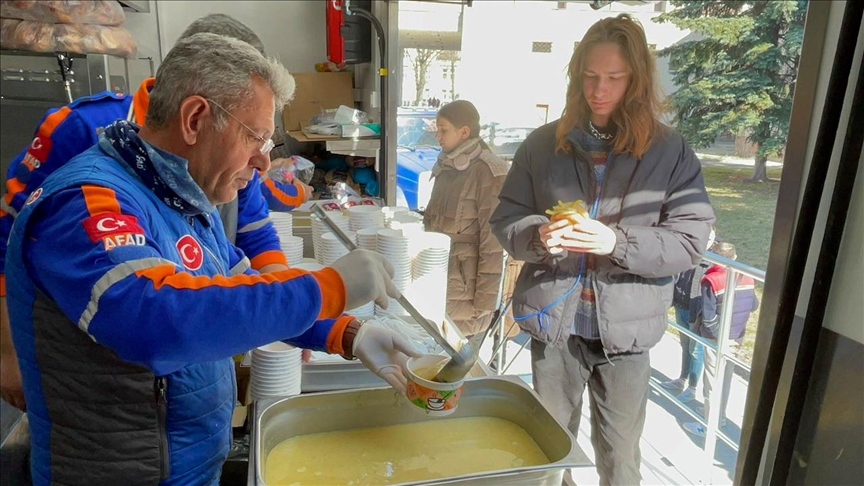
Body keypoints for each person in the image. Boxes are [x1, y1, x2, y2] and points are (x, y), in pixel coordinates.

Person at [5, 33, 418, 485]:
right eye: (255, 136)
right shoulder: (86, 202)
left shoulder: (179, 198)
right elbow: (155, 318)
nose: (263, 162)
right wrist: (329, 288)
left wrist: (346, 332)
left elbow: (239, 286)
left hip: (185, 465)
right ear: (196, 118)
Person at [0, 13, 311, 412]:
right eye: (253, 134)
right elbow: (10, 237)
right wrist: (9, 351)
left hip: (178, 383)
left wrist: (298, 316)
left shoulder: (213, 168)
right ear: (198, 109)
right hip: (98, 381)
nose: (261, 160)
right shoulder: (81, 132)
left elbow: (250, 236)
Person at [489, 14, 715, 485]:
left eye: (614, 78)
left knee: (619, 459)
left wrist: (617, 241)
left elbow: (690, 240)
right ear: (576, 75)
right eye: (590, 76)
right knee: (548, 452)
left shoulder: (669, 151)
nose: (599, 89)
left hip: (627, 339)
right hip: (555, 330)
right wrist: (538, 235)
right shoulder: (540, 145)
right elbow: (505, 218)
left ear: (635, 80)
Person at [423, 100, 509, 337]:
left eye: (443, 130)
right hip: (437, 270)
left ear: (464, 132)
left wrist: (484, 303)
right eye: (437, 130)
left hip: (466, 286)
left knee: (459, 361)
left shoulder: (489, 171)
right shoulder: (447, 163)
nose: (438, 136)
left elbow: (493, 244)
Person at [683, 242, 758, 437]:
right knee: (725, 380)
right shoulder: (747, 276)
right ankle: (720, 416)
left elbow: (708, 318)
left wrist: (719, 338)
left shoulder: (711, 279)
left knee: (712, 382)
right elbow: (754, 305)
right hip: (738, 337)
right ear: (734, 257)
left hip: (717, 340)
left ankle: (708, 426)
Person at [660, 228, 716, 402]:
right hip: (681, 306)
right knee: (685, 347)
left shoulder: (713, 258)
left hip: (696, 312)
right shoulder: (688, 248)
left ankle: (692, 389)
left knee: (696, 351)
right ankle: (681, 380)